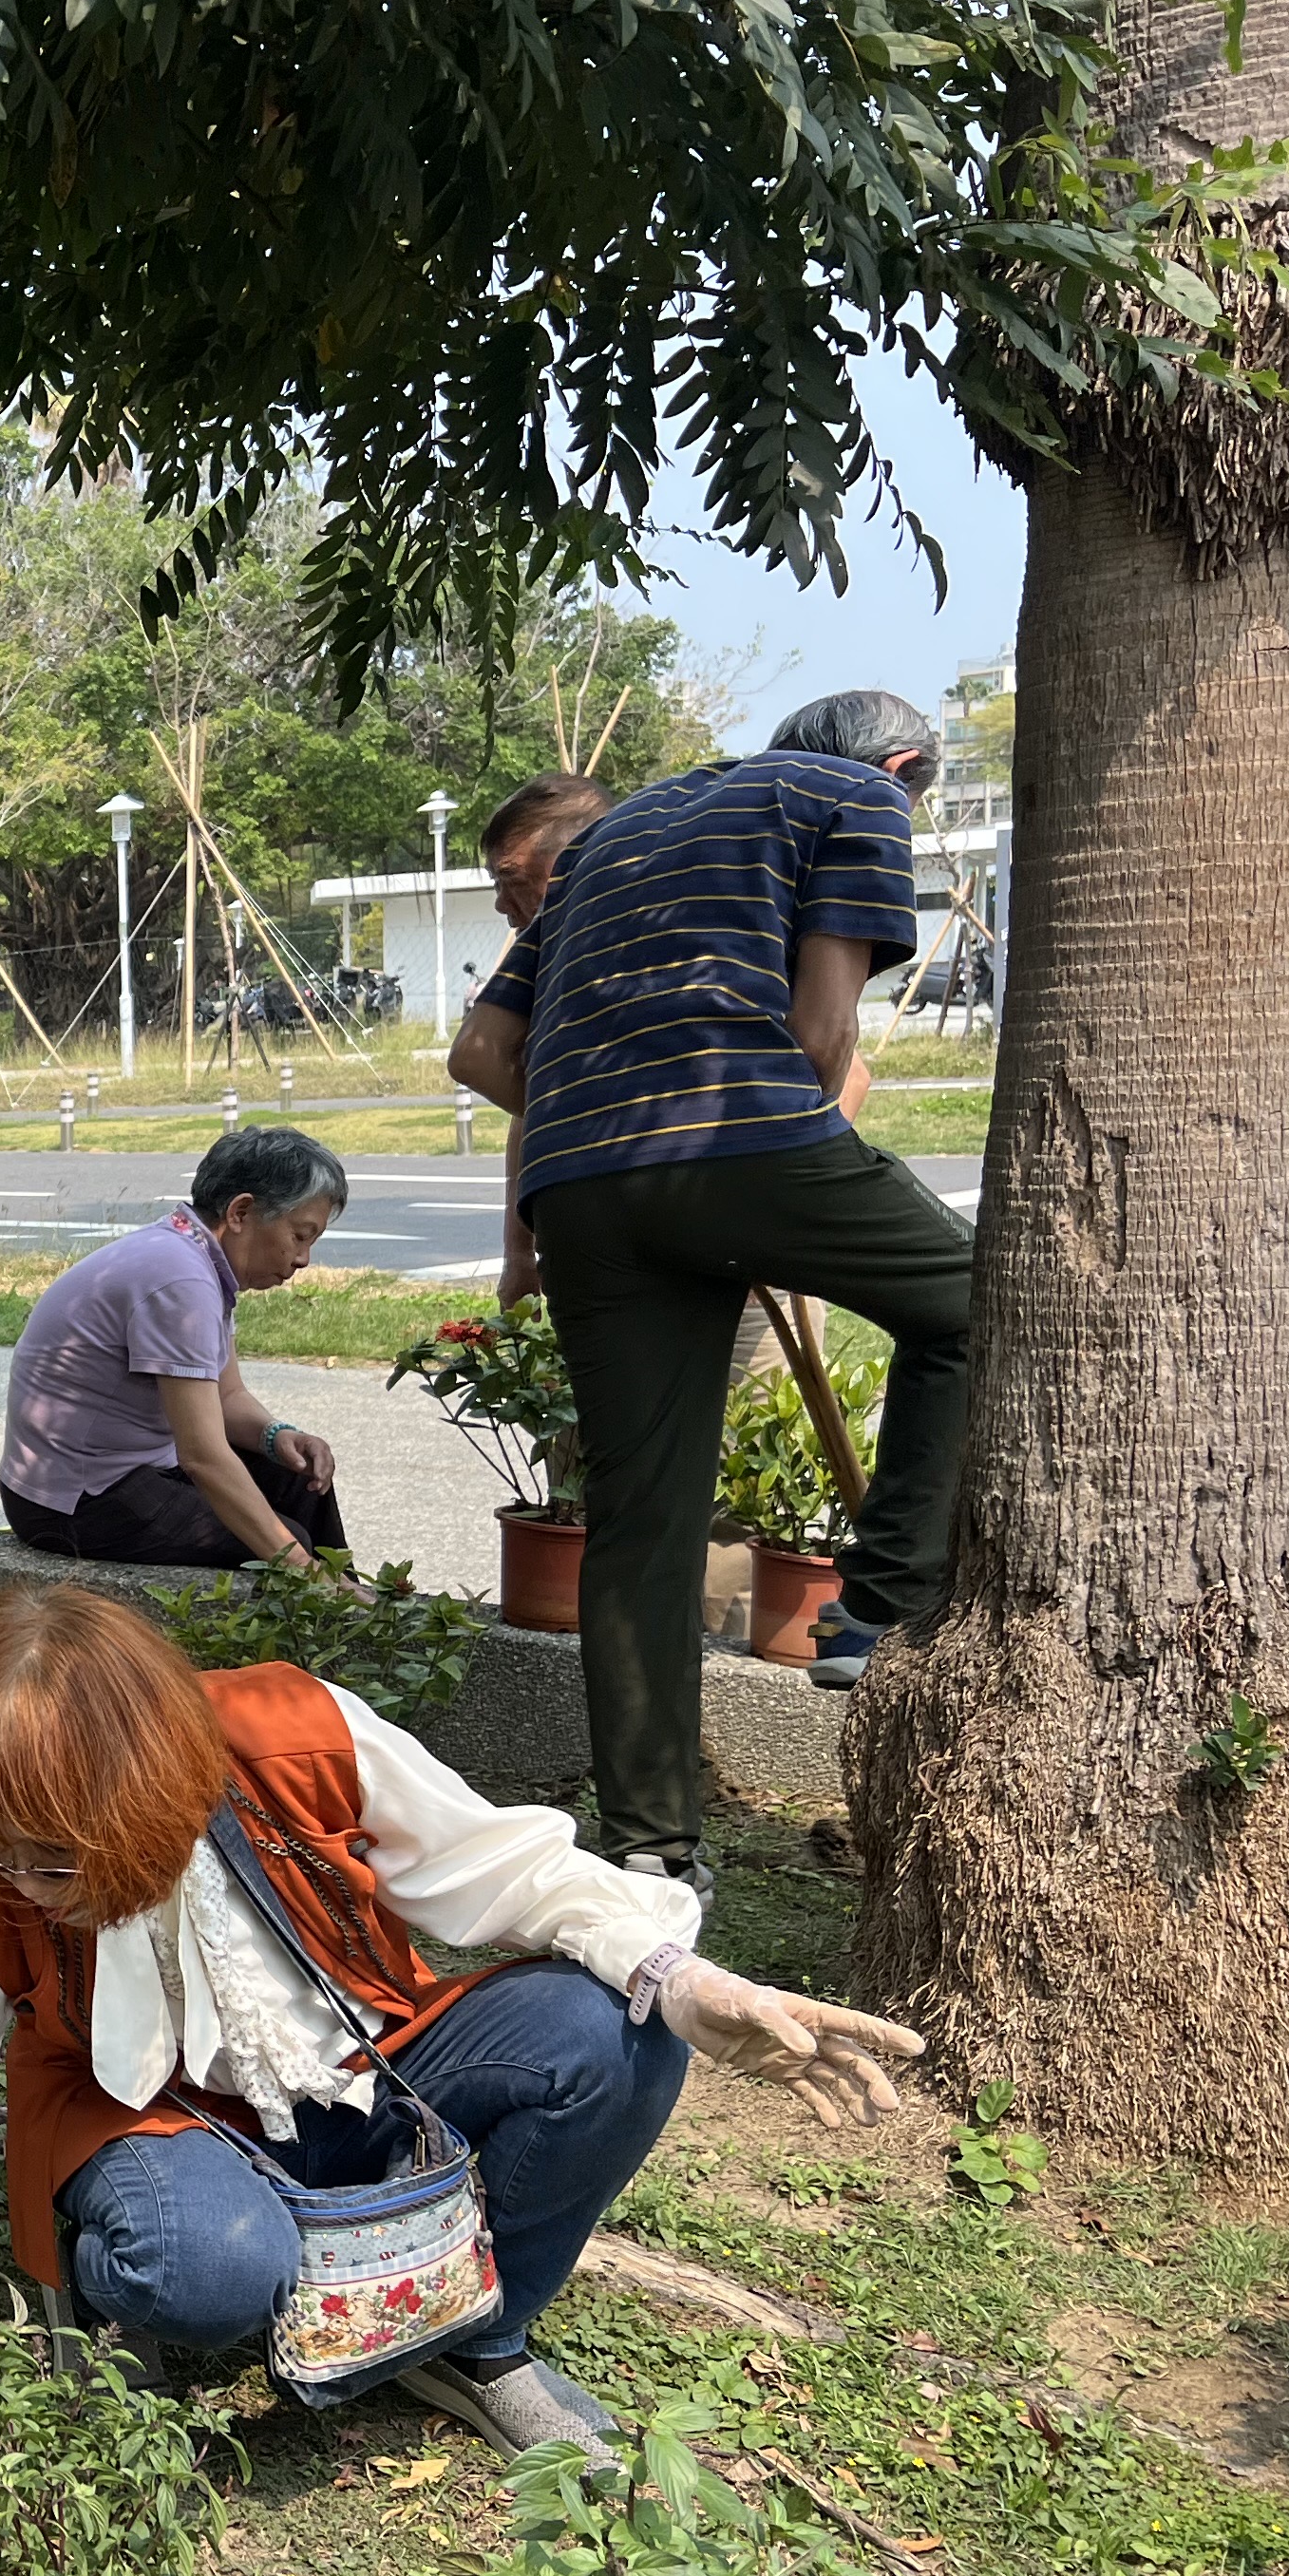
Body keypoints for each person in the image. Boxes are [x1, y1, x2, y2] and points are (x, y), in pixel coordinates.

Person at [0, 1585, 919, 2576]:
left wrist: (693, 1984)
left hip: (362, 2069)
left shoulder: (293, 1734)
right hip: (144, 2119)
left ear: (149, 1793)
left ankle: (470, 2339)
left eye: (54, 1857)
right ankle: (134, 2313)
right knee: (208, 2265)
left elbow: (508, 1871)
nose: (22, 1883)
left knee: (619, 2031)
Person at [446, 692, 971, 1884]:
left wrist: (616, 1106)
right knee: (978, 1306)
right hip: (740, 1135)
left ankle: (648, 1853)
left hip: (577, 1183)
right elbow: (824, 1031)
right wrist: (755, 1161)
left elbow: (483, 1052)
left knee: (641, 1517)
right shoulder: (855, 795)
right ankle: (876, 1605)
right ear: (903, 765)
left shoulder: (614, 837)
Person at [0, 1128, 351, 1568]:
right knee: (289, 1547)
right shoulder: (181, 1280)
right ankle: (335, 1597)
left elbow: (227, 1397)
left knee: (298, 1479)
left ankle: (348, 1603)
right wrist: (308, 1571)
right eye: (300, 1236)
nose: (303, 1260)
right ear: (240, 1212)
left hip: (125, 1471)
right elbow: (203, 1457)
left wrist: (278, 1436)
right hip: (73, 1502)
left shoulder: (194, 1255)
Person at [468, 771, 610, 1316]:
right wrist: (518, 1254)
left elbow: (476, 1056)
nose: (502, 904)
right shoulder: (549, 954)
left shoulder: (669, 930)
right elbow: (525, 1103)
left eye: (512, 878)